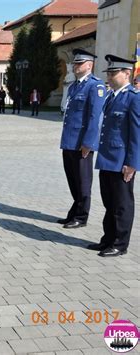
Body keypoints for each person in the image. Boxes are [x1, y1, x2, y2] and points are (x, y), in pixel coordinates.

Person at [87, 55, 139, 257]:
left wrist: (132, 163)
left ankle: (120, 243)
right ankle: (107, 239)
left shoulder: (134, 98)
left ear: (127, 74)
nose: (108, 76)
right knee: (109, 203)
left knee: (122, 205)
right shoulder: (111, 96)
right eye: (108, 73)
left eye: (113, 73)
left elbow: (136, 134)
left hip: (121, 162)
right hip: (107, 158)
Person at [58, 48, 106, 229]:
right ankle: (75, 211)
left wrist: (88, 143)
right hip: (69, 141)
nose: (75, 66)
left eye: (79, 63)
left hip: (82, 144)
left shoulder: (95, 86)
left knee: (83, 181)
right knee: (72, 179)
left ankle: (81, 216)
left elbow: (95, 117)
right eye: (74, 63)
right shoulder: (75, 86)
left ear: (89, 65)